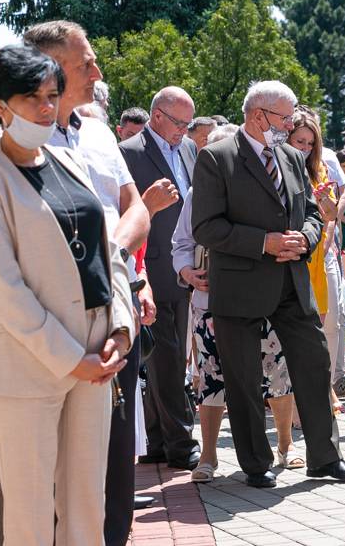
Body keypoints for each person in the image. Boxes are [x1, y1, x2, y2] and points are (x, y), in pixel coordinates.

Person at [0, 44, 135, 546]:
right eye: (32, 99)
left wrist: (121, 325)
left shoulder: (67, 160)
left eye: (52, 95)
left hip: (97, 353)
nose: (47, 109)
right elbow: (4, 290)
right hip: (32, 363)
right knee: (29, 514)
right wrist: (69, 357)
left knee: (86, 508)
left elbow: (108, 250)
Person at [191, 80, 345, 488]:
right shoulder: (217, 158)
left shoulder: (289, 156)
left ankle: (325, 456)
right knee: (244, 377)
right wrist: (263, 243)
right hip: (240, 286)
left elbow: (309, 212)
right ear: (257, 115)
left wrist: (304, 237)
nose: (290, 127)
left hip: (291, 281)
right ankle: (255, 463)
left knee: (314, 364)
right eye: (284, 118)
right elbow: (206, 227)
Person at [22, 19, 155, 544]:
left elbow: (135, 205)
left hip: (114, 307)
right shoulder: (14, 140)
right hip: (52, 316)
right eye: (87, 63)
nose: (99, 72)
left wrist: (118, 270)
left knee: (115, 461)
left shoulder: (97, 132)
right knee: (56, 471)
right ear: (49, 68)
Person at [120, 87, 202, 471]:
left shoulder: (186, 149)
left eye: (188, 124)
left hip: (182, 264)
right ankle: (181, 444)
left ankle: (157, 439)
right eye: (178, 123)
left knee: (167, 356)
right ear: (156, 116)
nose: (184, 131)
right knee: (167, 358)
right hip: (149, 267)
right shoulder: (130, 153)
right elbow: (127, 214)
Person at [287, 113, 345, 410]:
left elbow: (332, 214)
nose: (305, 149)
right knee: (295, 332)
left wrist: (323, 199)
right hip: (289, 258)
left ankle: (322, 389)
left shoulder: (319, 168)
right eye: (300, 141)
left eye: (311, 144)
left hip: (318, 257)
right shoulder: (276, 168)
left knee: (323, 328)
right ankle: (296, 399)